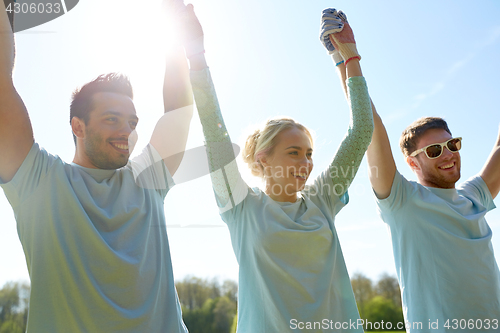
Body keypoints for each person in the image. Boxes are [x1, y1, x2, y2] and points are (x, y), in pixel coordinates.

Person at [176, 6, 374, 332]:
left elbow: (361, 132)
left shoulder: (322, 199)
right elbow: (214, 131)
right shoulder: (241, 207)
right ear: (263, 159)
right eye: (294, 153)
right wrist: (196, 54)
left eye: (309, 154)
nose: (306, 163)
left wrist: (350, 58)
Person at [0, 1, 193, 331]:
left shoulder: (149, 179)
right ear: (78, 127)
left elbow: (179, 110)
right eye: (112, 120)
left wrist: (176, 31)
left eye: (132, 122)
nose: (126, 132)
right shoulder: (39, 180)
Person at [366, 33, 500, 333]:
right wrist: (347, 59)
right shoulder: (403, 202)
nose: (449, 154)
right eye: (435, 150)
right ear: (413, 162)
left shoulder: (474, 197)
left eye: (452, 144)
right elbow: (370, 126)